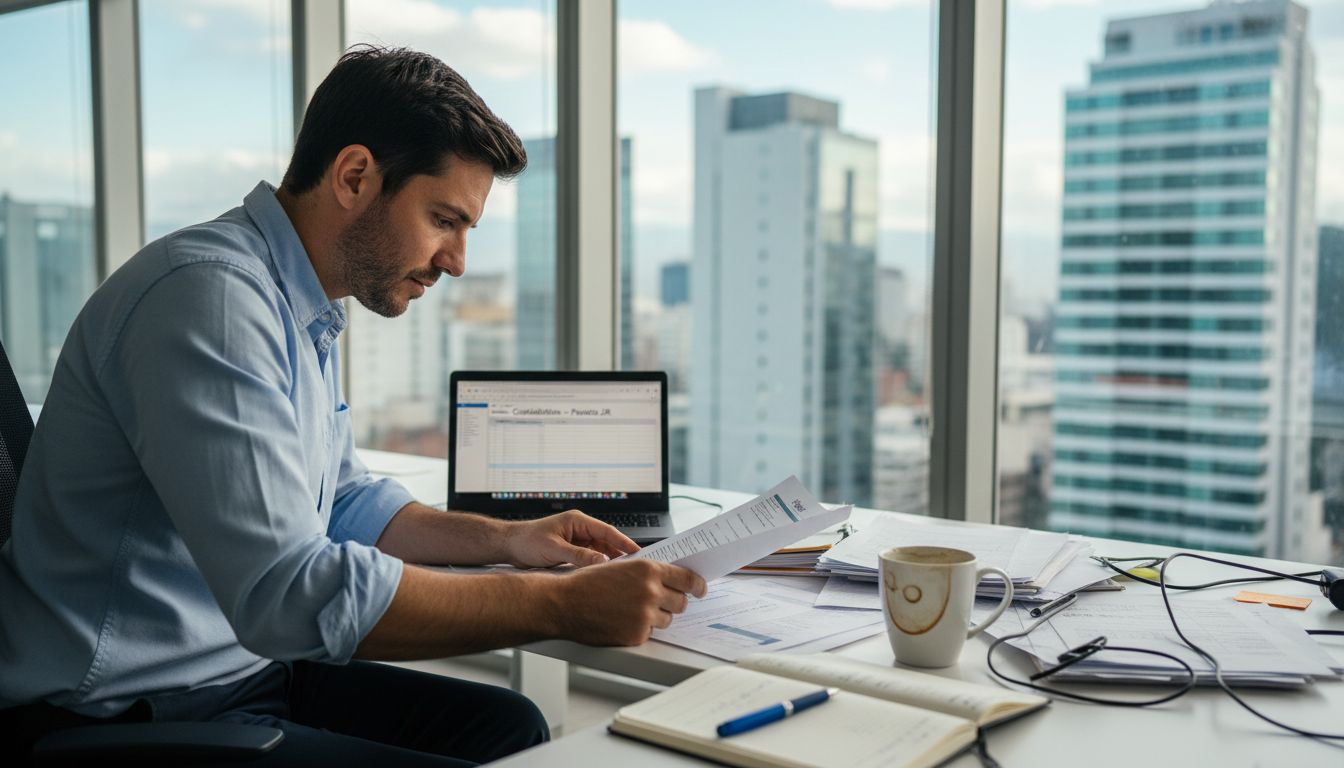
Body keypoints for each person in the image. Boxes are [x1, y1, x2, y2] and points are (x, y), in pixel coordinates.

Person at [0, 46, 706, 766]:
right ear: (355, 176)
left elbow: (343, 503)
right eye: (444, 219)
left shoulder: (297, 302)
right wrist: (558, 604)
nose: (457, 261)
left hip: (237, 670)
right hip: (125, 708)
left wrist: (509, 540)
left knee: (509, 727)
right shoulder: (209, 298)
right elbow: (287, 594)